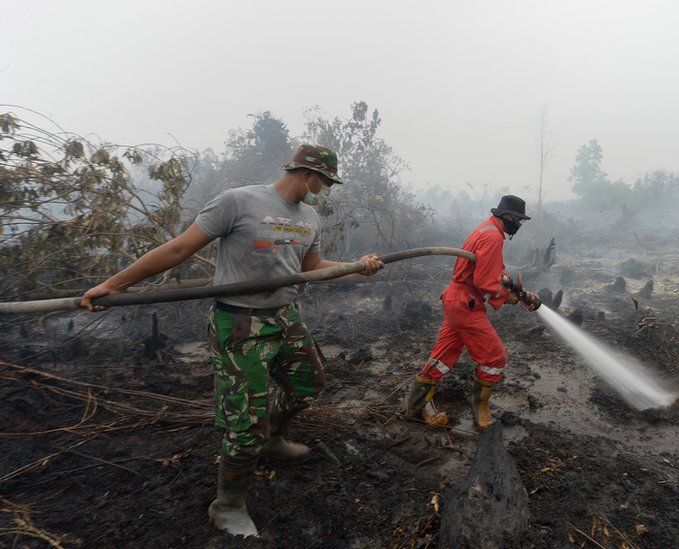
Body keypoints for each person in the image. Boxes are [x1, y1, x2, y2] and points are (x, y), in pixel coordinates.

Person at [81, 144, 384, 537]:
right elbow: (178, 248)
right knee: (245, 425)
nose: (324, 189)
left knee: (309, 383)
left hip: (283, 317)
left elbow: (311, 268)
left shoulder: (309, 217)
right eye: (324, 181)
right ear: (308, 174)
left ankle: (274, 438)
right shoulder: (238, 202)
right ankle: (228, 504)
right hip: (239, 323)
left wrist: (356, 269)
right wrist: (112, 285)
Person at [401, 195, 538, 431]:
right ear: (508, 217)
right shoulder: (493, 236)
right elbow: (485, 281)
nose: (519, 225)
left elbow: (495, 271)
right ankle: (480, 407)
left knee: (444, 356)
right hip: (465, 304)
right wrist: (507, 297)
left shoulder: (486, 229)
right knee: (495, 358)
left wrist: (518, 291)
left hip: (456, 300)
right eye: (518, 220)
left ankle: (415, 405)